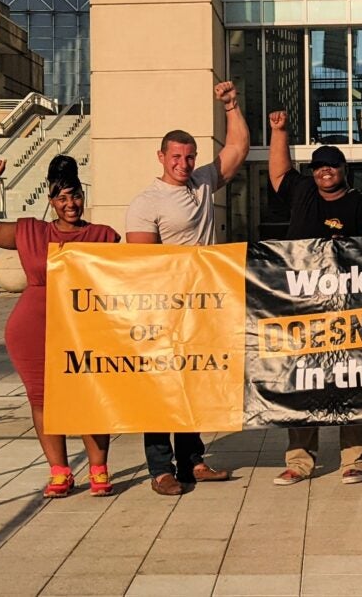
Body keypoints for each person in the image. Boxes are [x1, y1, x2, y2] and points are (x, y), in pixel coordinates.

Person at [125, 81, 248, 495]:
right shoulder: (146, 202)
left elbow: (238, 150)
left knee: (193, 383)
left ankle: (192, 461)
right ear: (161, 157)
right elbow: (144, 263)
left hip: (204, 305)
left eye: (189, 156)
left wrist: (230, 106)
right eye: (176, 156)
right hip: (164, 309)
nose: (183, 163)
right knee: (161, 387)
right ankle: (160, 468)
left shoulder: (202, 182)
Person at [0, 155, 119, 498]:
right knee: (42, 400)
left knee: (88, 397)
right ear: (51, 201)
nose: (71, 204)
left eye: (75, 196)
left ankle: (98, 469)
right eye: (63, 198)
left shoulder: (103, 236)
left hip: (84, 327)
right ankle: (60, 472)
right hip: (32, 327)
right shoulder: (31, 231)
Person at [268, 110, 362, 486]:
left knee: (351, 382)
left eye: (331, 165)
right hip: (303, 307)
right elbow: (280, 172)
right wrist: (279, 130)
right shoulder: (302, 193)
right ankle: (299, 461)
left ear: (343, 168)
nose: (324, 171)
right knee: (303, 381)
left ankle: (355, 460)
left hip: (349, 311)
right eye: (318, 166)